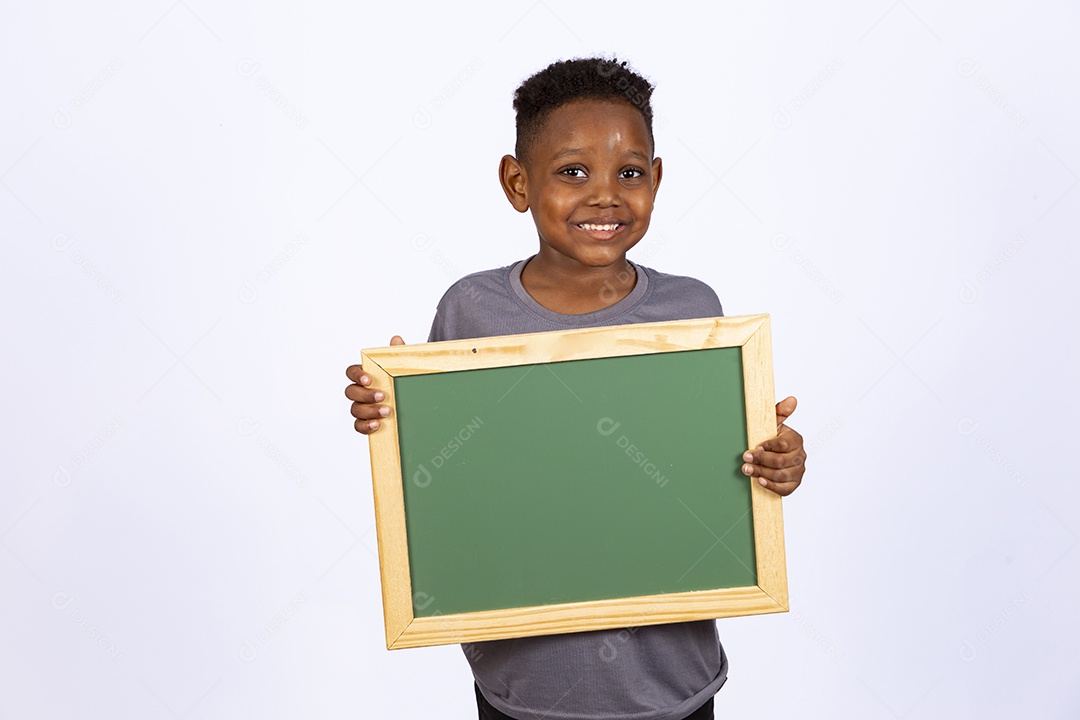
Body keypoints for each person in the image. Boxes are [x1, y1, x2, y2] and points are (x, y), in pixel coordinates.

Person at [345, 57, 806, 720]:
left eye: (630, 172)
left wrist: (779, 459)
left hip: (672, 681)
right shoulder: (470, 311)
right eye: (572, 171)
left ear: (657, 179)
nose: (604, 195)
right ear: (517, 182)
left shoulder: (692, 313)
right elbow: (447, 474)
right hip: (524, 685)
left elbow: (718, 474)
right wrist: (389, 409)